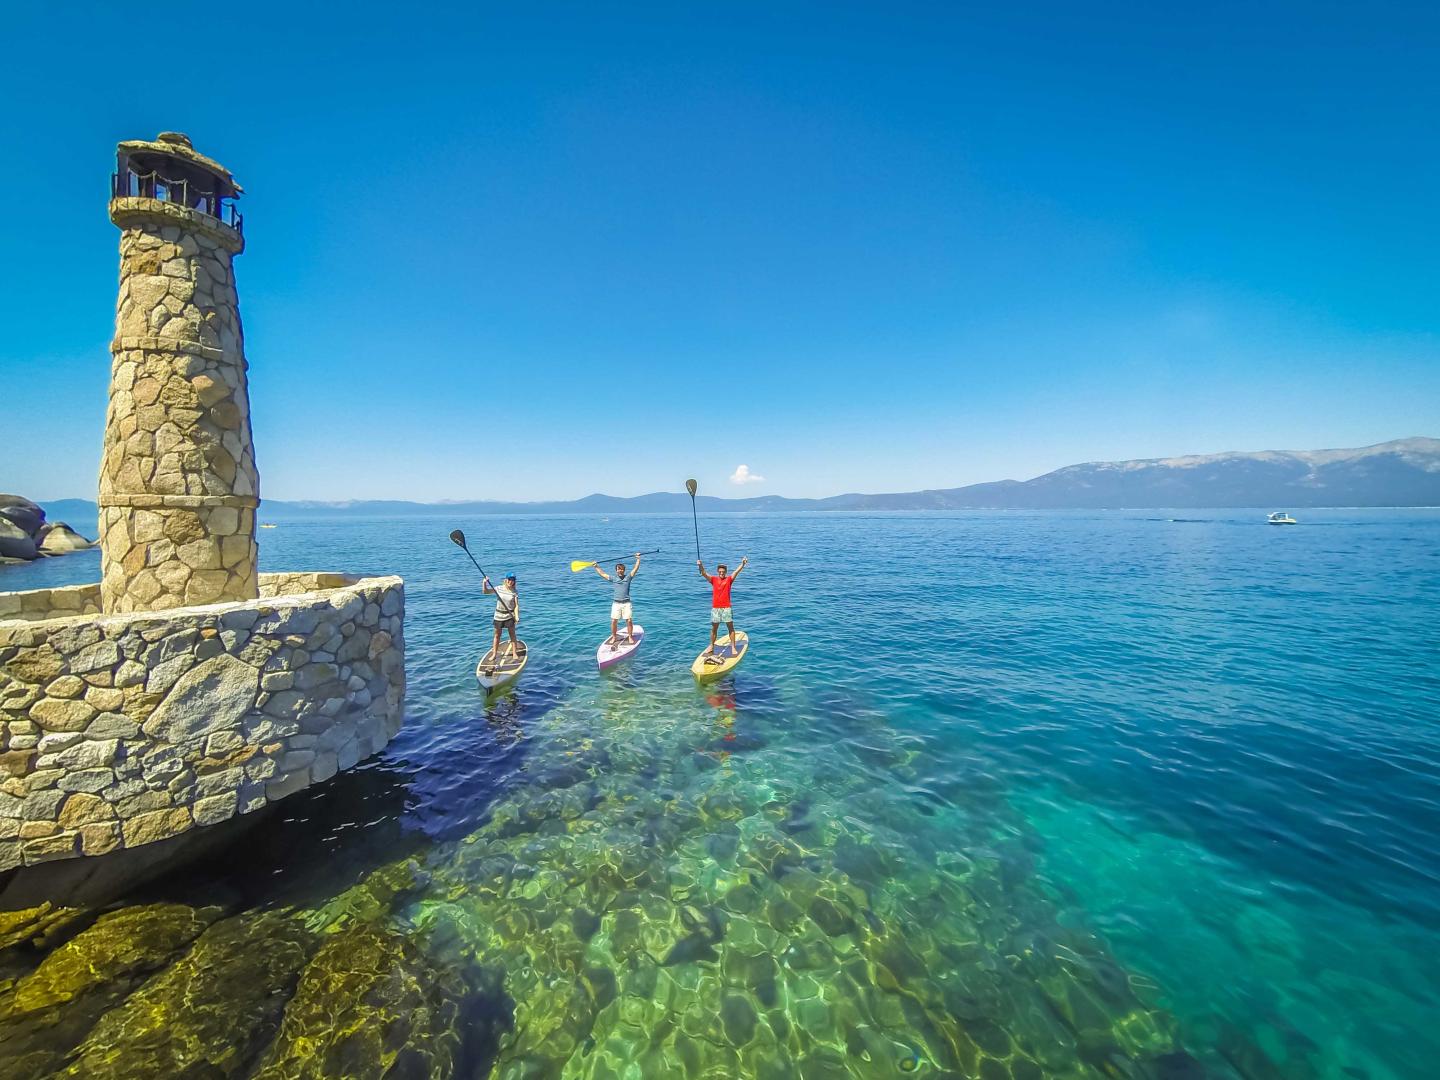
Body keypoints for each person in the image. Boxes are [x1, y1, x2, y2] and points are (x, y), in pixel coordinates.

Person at [697, 556, 748, 656]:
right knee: (714, 628)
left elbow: (736, 572)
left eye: (723, 571)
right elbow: (703, 573)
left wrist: (742, 564)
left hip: (726, 607)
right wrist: (700, 565)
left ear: (725, 572)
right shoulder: (713, 580)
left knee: (730, 627)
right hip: (716, 608)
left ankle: (733, 647)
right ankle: (711, 645)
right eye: (720, 571)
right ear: (717, 571)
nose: (721, 573)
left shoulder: (729, 580)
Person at [592, 552, 643, 646]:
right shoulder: (614, 578)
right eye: (618, 569)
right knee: (613, 621)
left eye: (621, 569)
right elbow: (603, 574)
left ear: (624, 570)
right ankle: (614, 636)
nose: (619, 571)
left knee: (629, 620)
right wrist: (596, 567)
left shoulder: (628, 578)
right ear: (616, 571)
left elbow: (635, 569)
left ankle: (630, 636)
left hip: (626, 603)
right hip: (616, 603)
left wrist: (638, 559)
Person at [481, 572, 520, 669]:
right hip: (498, 616)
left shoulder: (514, 591)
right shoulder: (499, 588)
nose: (511, 582)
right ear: (506, 580)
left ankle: (514, 653)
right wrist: (484, 583)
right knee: (497, 635)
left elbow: (516, 606)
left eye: (513, 580)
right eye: (509, 579)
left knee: (512, 635)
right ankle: (494, 654)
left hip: (509, 615)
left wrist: (517, 616)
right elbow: (485, 592)